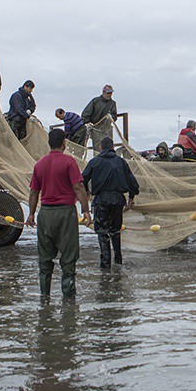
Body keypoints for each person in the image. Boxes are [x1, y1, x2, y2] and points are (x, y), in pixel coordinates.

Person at [25, 128, 92, 298]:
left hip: (45, 214)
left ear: (49, 143)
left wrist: (31, 214)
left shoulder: (39, 164)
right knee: (68, 259)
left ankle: (44, 299)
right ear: (64, 143)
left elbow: (34, 192)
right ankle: (69, 307)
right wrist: (85, 210)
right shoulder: (69, 162)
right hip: (65, 213)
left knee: (45, 260)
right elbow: (78, 187)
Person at [82, 136, 140, 269]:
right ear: (113, 147)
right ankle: (118, 261)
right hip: (118, 200)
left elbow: (82, 179)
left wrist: (87, 191)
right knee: (115, 231)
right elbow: (133, 183)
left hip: (101, 200)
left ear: (101, 148)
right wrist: (131, 197)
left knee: (102, 232)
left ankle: (105, 265)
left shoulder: (94, 161)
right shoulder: (121, 162)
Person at [81, 85, 119, 152]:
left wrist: (111, 117)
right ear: (103, 92)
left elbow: (114, 116)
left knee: (109, 147)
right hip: (96, 128)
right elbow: (86, 113)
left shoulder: (112, 103)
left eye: (111, 92)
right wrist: (87, 122)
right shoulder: (96, 101)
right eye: (108, 93)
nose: (110, 94)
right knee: (98, 148)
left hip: (107, 129)